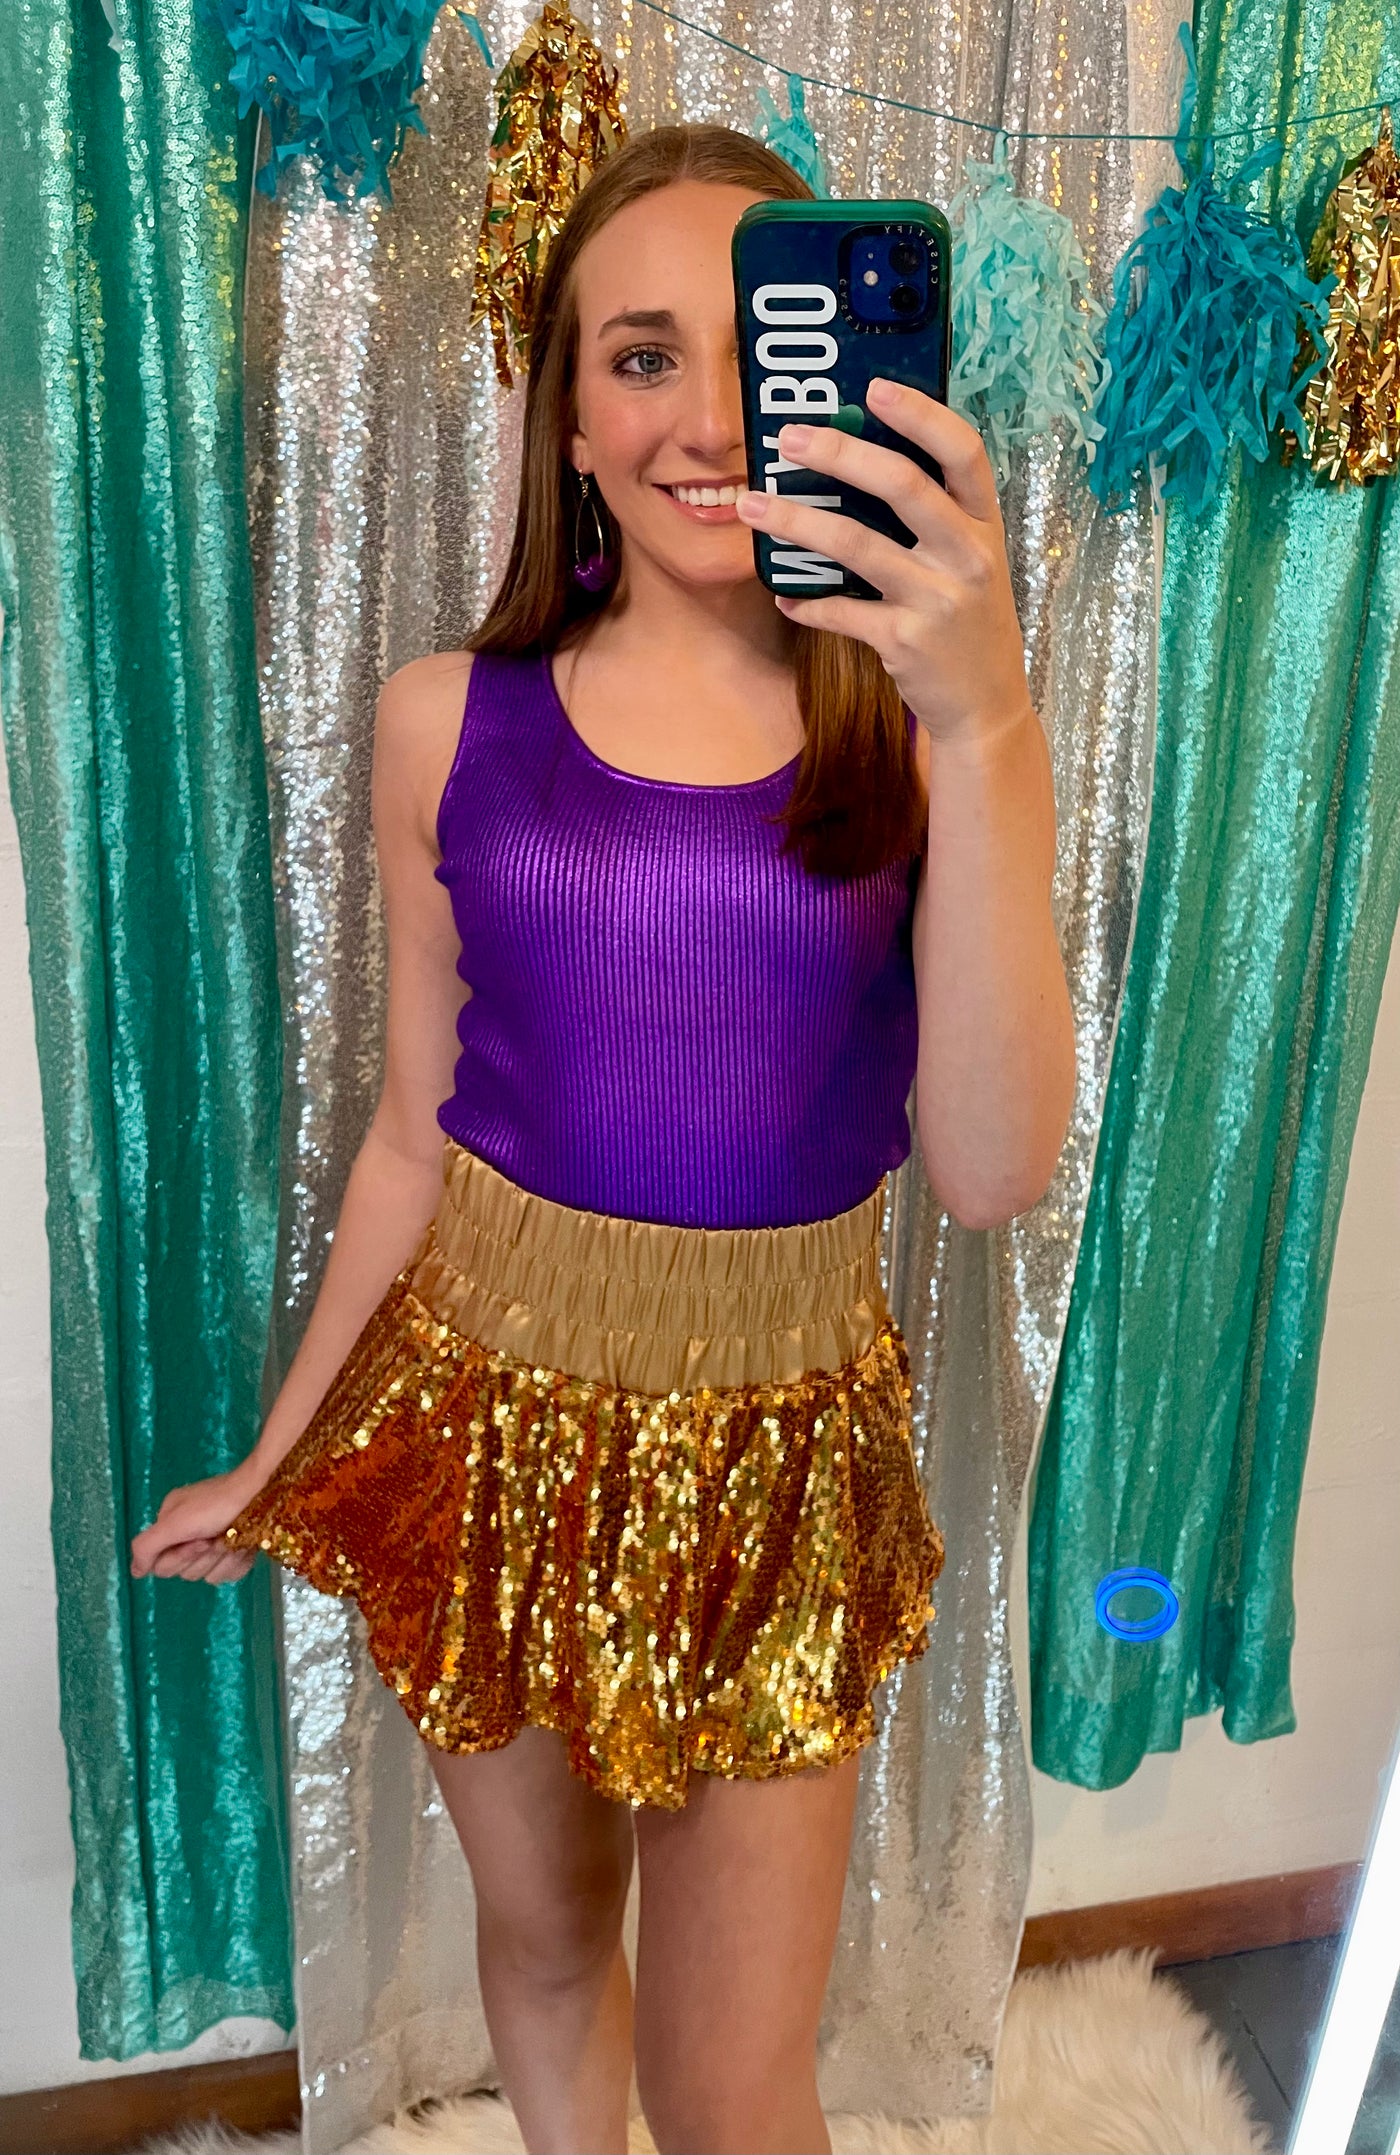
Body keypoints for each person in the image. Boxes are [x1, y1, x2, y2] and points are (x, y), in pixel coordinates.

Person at [130, 125, 1074, 2155]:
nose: (710, 416)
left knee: (734, 2085)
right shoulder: (441, 722)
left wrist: (989, 718)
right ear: (567, 417)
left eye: (759, 349)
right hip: (484, 1424)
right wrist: (280, 1453)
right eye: (643, 356)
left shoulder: (922, 733)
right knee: (551, 1949)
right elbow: (410, 1139)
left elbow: (993, 1170)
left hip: (778, 1466)